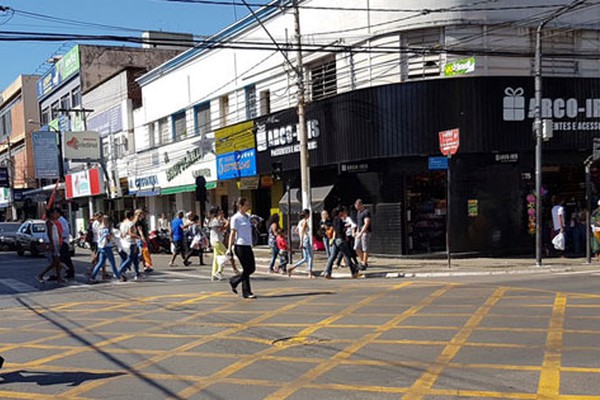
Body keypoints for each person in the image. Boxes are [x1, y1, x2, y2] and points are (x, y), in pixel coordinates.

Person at [227, 197, 257, 299]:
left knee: (251, 268)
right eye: (246, 205)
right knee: (247, 269)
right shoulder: (235, 218)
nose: (248, 207)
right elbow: (232, 233)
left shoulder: (248, 217)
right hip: (240, 245)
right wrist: (229, 248)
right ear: (240, 206)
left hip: (248, 245)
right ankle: (246, 291)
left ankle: (235, 281)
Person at [323, 206, 360, 279]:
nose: (344, 213)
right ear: (340, 213)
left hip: (335, 240)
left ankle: (327, 271)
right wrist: (345, 228)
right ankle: (354, 272)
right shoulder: (340, 220)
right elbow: (340, 229)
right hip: (341, 240)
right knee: (347, 256)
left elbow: (335, 228)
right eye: (343, 212)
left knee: (332, 257)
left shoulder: (334, 220)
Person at [88, 215, 120, 283]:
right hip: (107, 247)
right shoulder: (106, 229)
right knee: (112, 263)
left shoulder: (99, 228)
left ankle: (92, 276)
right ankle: (118, 276)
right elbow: (108, 237)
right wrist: (112, 238)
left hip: (100, 246)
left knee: (100, 262)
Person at [36, 209, 63, 285]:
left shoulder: (53, 222)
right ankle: (41, 274)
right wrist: (52, 243)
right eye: (54, 213)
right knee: (56, 262)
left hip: (56, 242)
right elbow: (49, 234)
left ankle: (59, 278)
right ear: (51, 214)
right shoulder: (49, 222)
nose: (56, 214)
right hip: (53, 242)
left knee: (57, 262)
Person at [288, 209, 314, 278]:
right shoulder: (305, 222)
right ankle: (310, 273)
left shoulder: (300, 222)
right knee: (310, 257)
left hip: (303, 239)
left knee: (305, 258)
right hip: (305, 239)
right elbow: (302, 231)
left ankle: (292, 268)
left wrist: (300, 237)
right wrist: (301, 242)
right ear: (307, 214)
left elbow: (296, 230)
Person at [118, 210, 142, 281]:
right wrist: (138, 237)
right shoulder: (130, 224)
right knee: (130, 258)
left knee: (134, 259)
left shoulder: (122, 224)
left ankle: (137, 273)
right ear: (131, 216)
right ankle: (120, 271)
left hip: (124, 243)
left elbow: (122, 234)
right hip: (131, 243)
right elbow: (131, 234)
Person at [55, 208, 75, 280]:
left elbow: (64, 232)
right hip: (62, 241)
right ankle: (69, 271)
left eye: (55, 213)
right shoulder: (59, 220)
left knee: (63, 258)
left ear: (58, 213)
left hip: (63, 241)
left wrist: (60, 239)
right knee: (66, 258)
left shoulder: (61, 221)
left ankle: (65, 272)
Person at [209, 208, 227, 280]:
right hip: (216, 241)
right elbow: (220, 229)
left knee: (216, 257)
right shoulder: (215, 221)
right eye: (221, 213)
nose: (223, 215)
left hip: (217, 241)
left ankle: (214, 273)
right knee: (226, 254)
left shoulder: (217, 221)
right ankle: (219, 271)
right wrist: (227, 223)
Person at [354, 199, 372, 270]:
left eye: (357, 206)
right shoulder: (358, 212)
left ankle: (364, 263)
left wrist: (361, 233)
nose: (356, 207)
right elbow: (359, 223)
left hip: (365, 232)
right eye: (356, 206)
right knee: (356, 247)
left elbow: (366, 223)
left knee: (365, 247)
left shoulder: (366, 212)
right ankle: (362, 261)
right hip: (359, 231)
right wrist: (356, 232)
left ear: (361, 205)